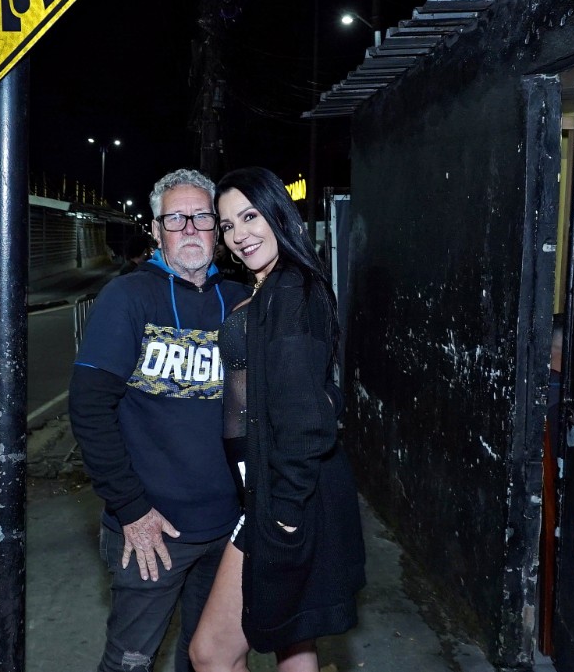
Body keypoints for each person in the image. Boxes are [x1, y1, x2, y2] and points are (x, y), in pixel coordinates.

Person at [69, 168, 250, 672]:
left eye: (201, 217)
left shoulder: (241, 301)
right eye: (175, 219)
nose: (189, 228)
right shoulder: (127, 298)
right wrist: (131, 509)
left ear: (218, 229)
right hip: (151, 531)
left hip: (229, 528)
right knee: (130, 661)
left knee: (207, 658)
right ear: (155, 229)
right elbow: (89, 408)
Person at [190, 167, 365, 672]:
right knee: (295, 644)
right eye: (227, 225)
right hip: (270, 487)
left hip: (286, 497)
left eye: (250, 216)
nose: (239, 234)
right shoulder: (277, 287)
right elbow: (317, 386)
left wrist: (284, 515)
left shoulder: (290, 288)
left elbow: (305, 417)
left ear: (278, 214)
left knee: (211, 653)